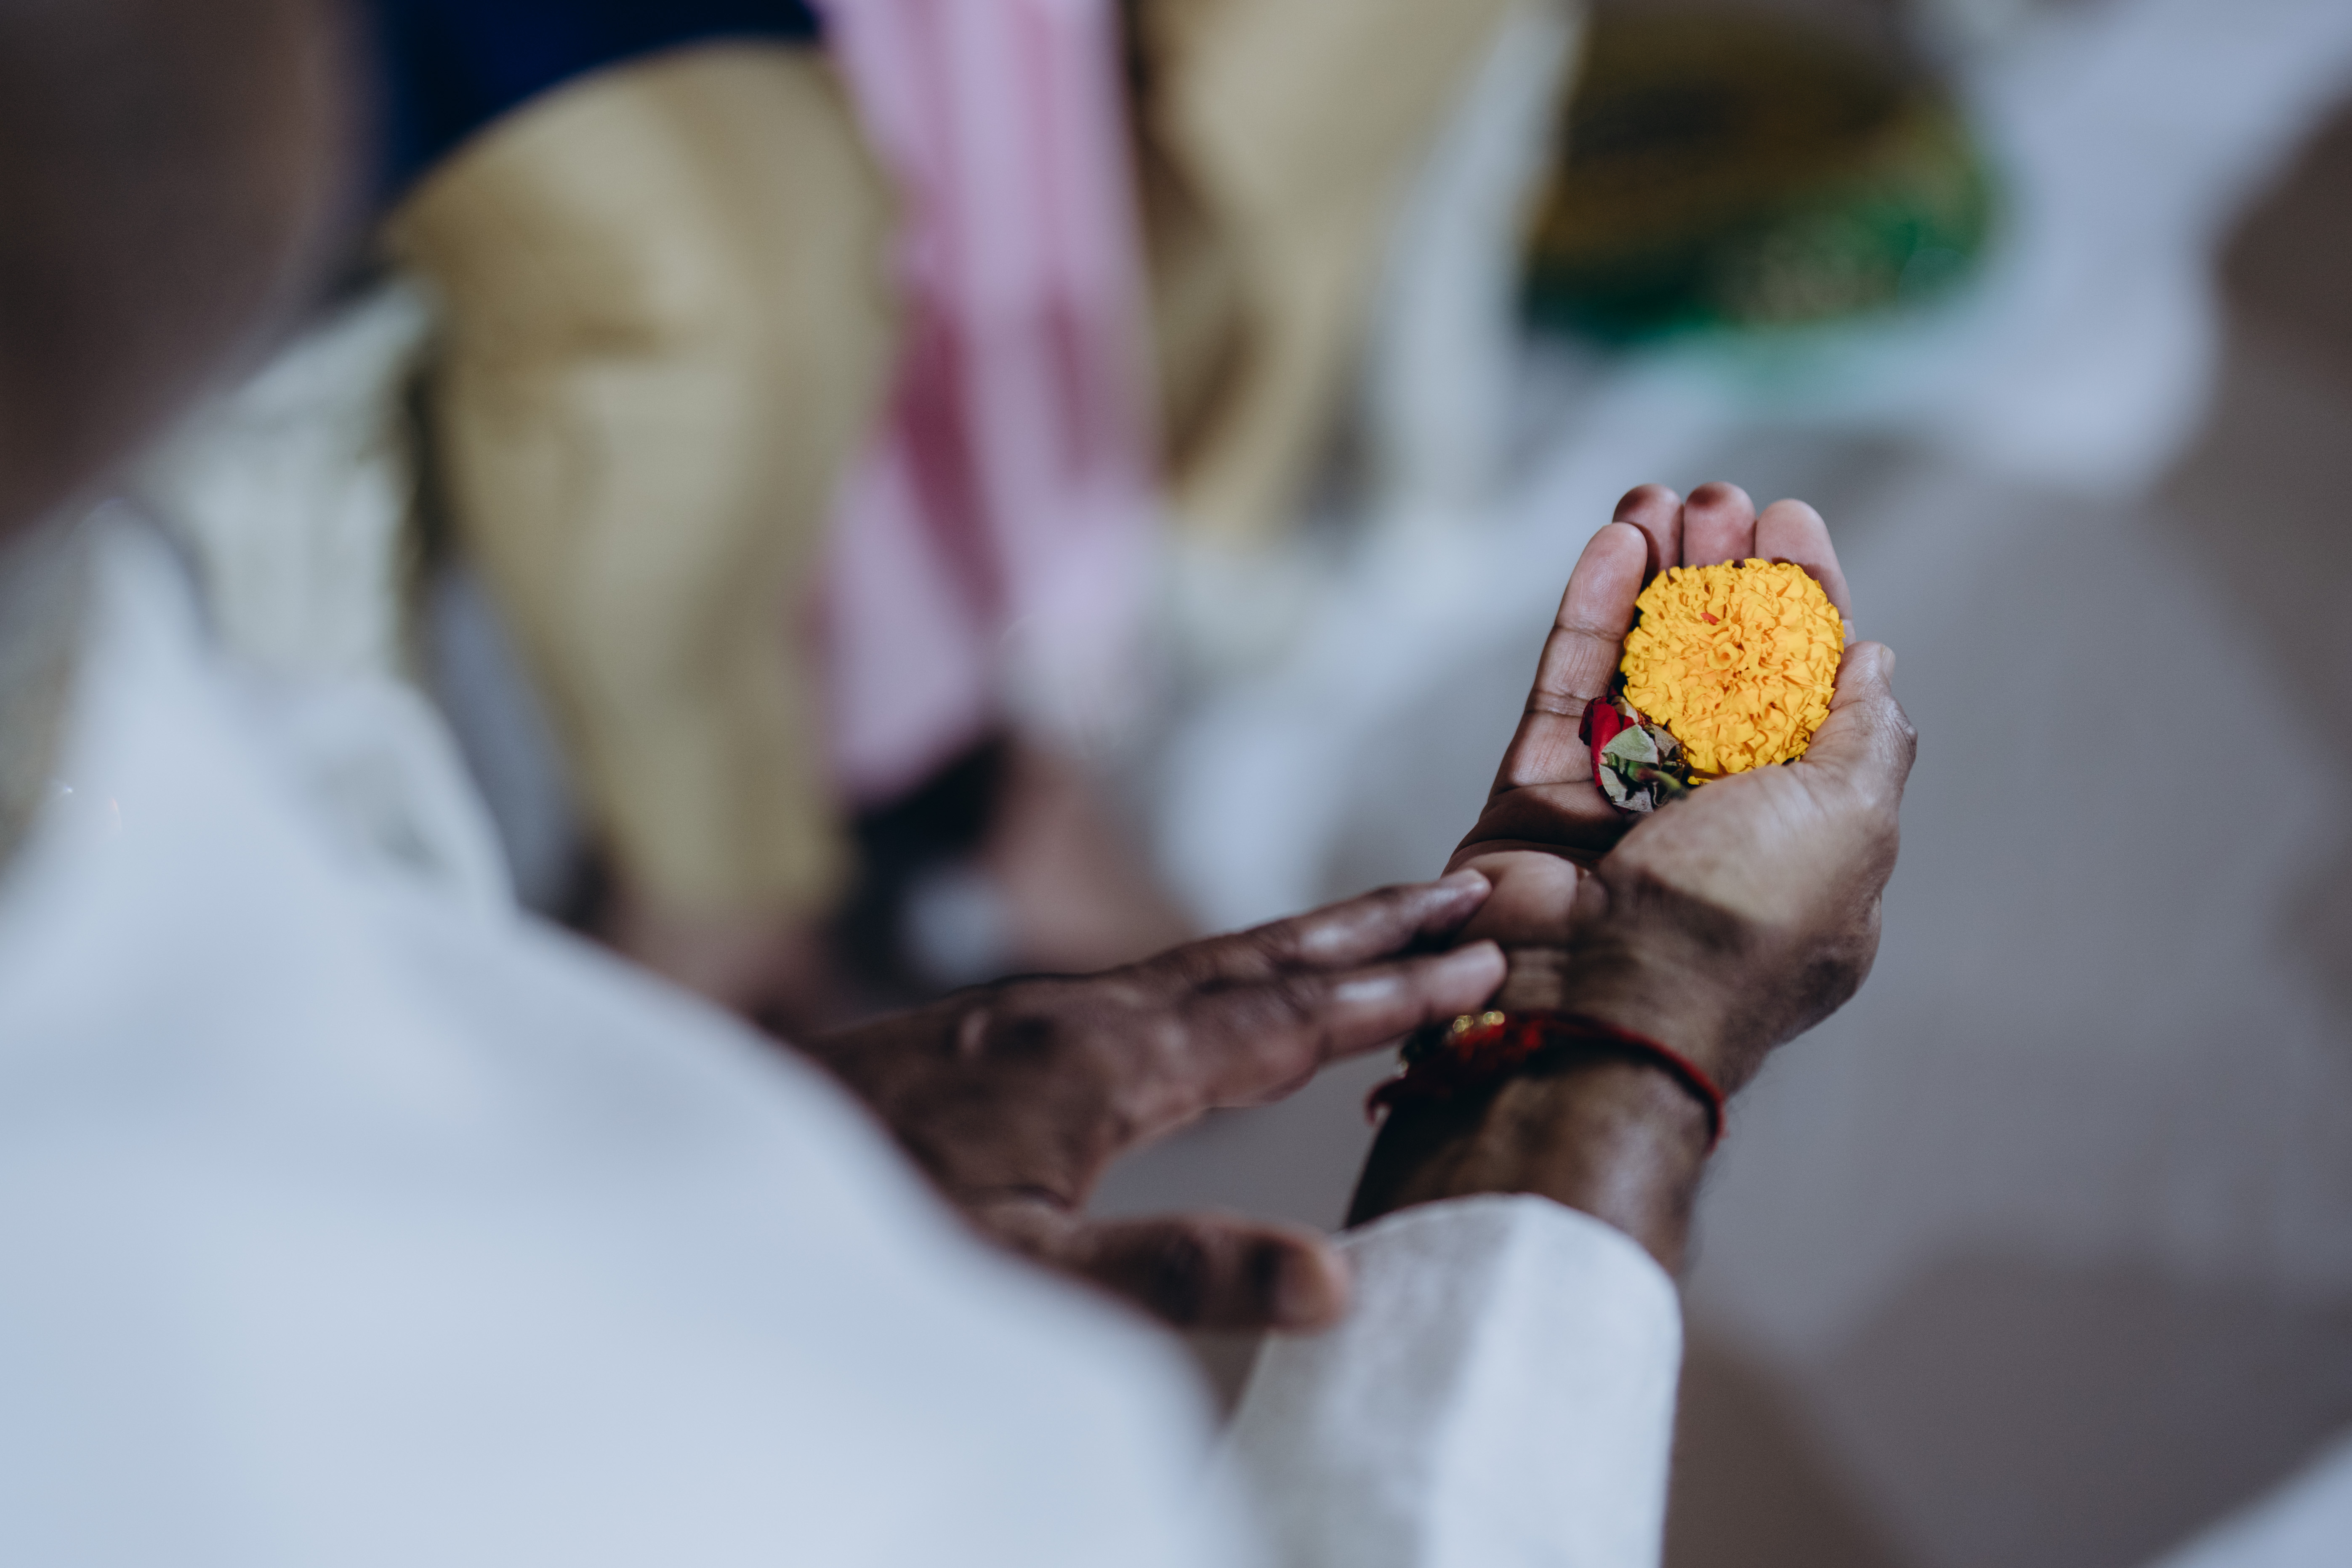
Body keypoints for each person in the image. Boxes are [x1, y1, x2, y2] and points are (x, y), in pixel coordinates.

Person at [0, 3, 1923, 1566]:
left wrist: (664, 1151)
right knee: (736, 246)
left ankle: (966, 731)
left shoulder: (136, 763)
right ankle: (764, 858)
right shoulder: (948, 1462)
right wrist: (1610, 1044)